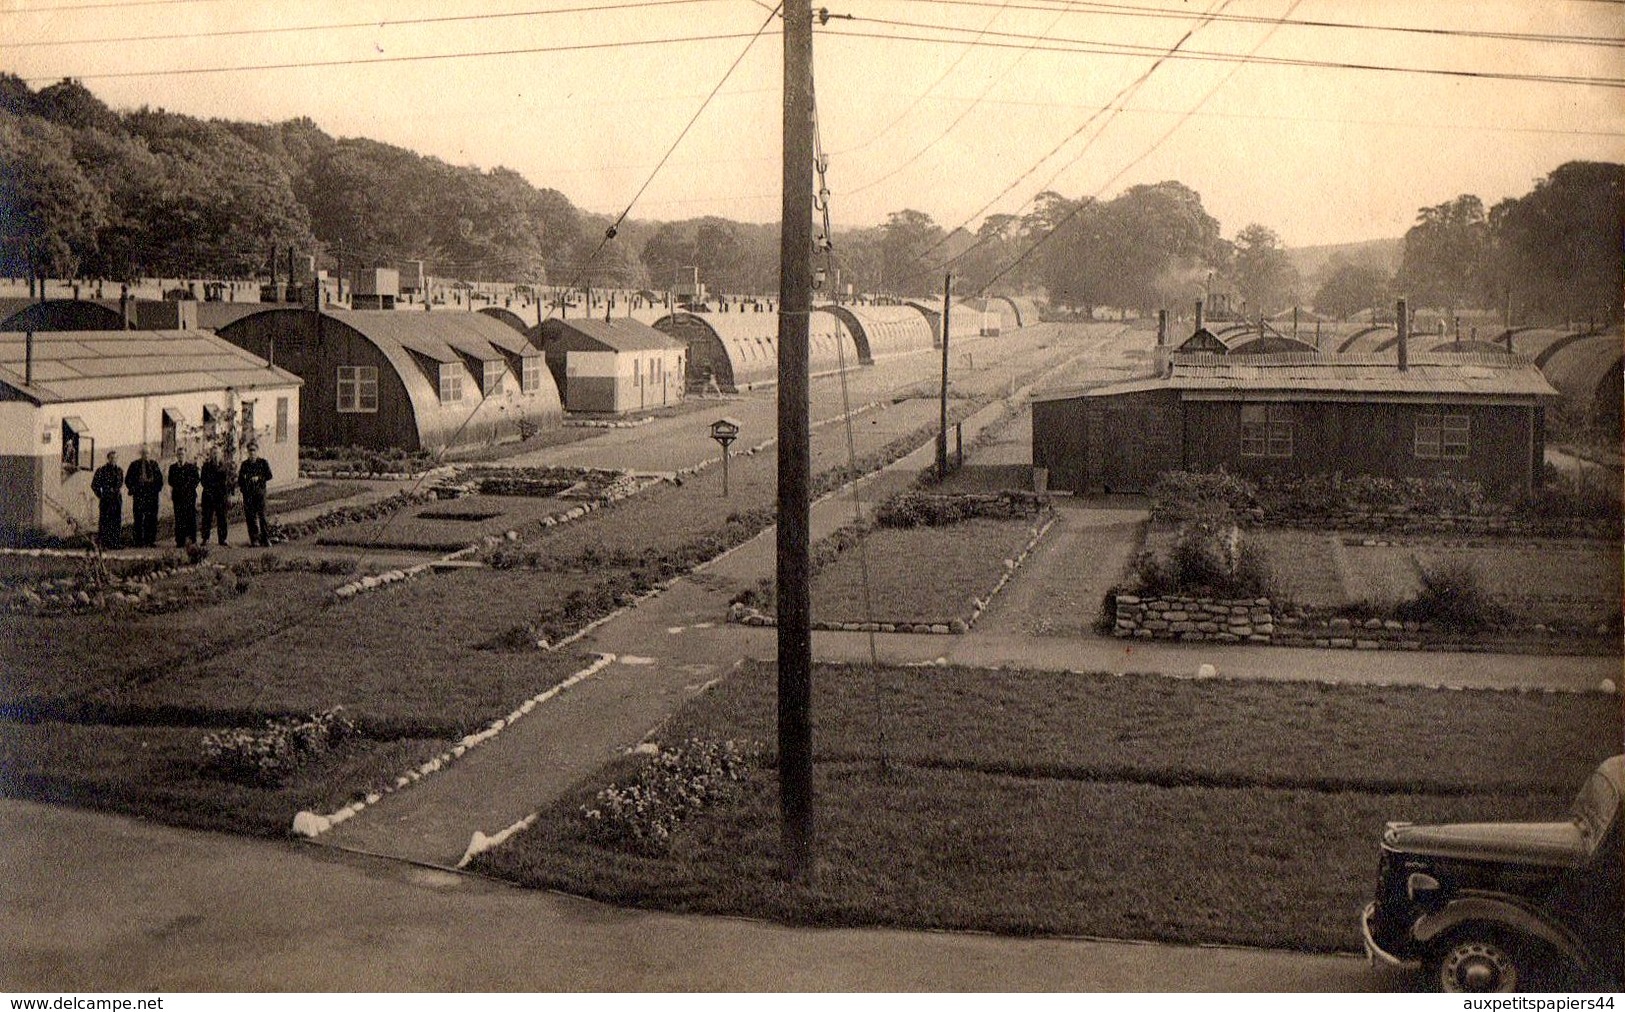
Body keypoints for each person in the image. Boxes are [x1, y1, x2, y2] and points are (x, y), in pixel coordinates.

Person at [124, 445, 163, 548]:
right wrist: (135, 486)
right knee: (138, 518)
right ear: (140, 454)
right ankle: (138, 541)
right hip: (139, 496)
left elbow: (160, 480)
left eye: (147, 453)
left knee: (151, 518)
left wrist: (154, 489)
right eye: (144, 453)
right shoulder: (134, 465)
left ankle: (150, 540)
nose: (146, 455)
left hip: (151, 496)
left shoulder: (154, 465)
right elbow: (128, 480)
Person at [237, 442, 273, 547]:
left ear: (257, 451)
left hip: (260, 494)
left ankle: (265, 538)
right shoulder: (244, 465)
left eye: (254, 450)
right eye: (250, 451)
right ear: (247, 453)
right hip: (248, 495)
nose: (252, 453)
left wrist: (259, 478)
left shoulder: (262, 463)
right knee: (251, 518)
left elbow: (269, 475)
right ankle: (254, 539)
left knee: (262, 517)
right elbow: (240, 480)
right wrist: (244, 488)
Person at [91, 450, 124, 550]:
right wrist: (101, 495)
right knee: (105, 522)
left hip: (116, 500)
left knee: (116, 522)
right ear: (108, 459)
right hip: (106, 500)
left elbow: (120, 484)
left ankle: (115, 543)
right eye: (112, 458)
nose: (114, 460)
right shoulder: (102, 471)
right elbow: (94, 485)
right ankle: (104, 544)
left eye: (115, 458)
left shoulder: (119, 471)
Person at [168, 446, 201, 548]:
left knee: (190, 518)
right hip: (178, 497)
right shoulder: (173, 468)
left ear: (185, 455)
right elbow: (171, 481)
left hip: (189, 497)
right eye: (179, 455)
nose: (180, 456)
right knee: (179, 519)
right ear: (176, 456)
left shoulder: (191, 467)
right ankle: (180, 540)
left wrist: (186, 487)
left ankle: (192, 540)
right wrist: (179, 486)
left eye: (182, 454)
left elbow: (196, 480)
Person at [199, 446, 232, 546]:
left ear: (220, 454)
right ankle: (205, 538)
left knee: (222, 518)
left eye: (217, 453)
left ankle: (222, 539)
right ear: (211, 455)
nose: (215, 455)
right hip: (209, 496)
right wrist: (213, 487)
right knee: (207, 518)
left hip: (221, 496)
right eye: (213, 453)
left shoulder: (224, 467)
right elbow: (203, 481)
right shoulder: (206, 466)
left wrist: (228, 495)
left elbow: (227, 482)